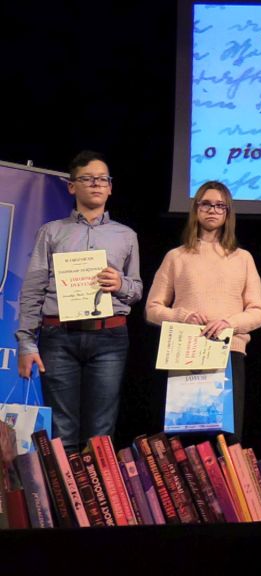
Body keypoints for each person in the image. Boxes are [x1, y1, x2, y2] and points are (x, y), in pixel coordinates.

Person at [16, 150, 142, 453]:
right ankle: (66, 486)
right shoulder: (51, 232)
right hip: (59, 336)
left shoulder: (126, 235)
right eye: (87, 179)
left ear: (110, 187)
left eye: (102, 179)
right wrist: (26, 343)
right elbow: (33, 290)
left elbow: (136, 289)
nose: (96, 184)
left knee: (101, 433)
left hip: (110, 337)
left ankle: (97, 485)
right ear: (72, 186)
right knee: (62, 430)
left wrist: (120, 284)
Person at [146, 181, 261, 438]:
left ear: (228, 213)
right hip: (186, 353)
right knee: (187, 438)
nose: (213, 210)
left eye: (220, 205)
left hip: (228, 352)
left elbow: (258, 312)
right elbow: (152, 309)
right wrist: (181, 316)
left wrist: (229, 323)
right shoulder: (176, 256)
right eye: (207, 204)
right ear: (196, 209)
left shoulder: (242, 258)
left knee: (227, 438)